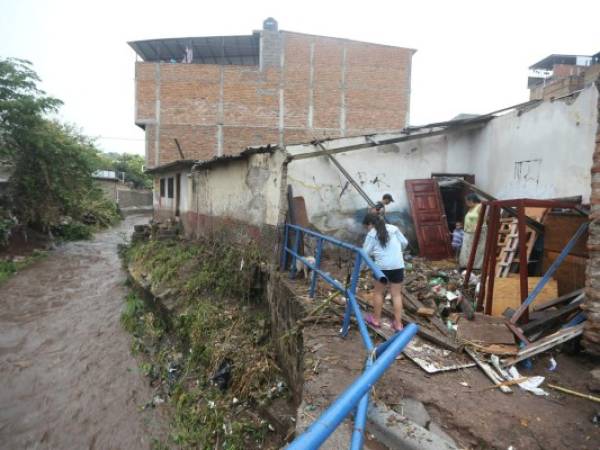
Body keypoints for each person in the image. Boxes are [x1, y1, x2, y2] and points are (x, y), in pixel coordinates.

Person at [361, 212, 408, 332]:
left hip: (381, 268)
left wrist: (361, 268)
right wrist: (397, 252)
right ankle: (398, 324)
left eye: (367, 226)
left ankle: (376, 320)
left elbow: (365, 253)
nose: (368, 229)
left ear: (370, 224)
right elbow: (404, 243)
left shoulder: (371, 234)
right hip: (398, 265)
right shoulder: (394, 228)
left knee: (378, 293)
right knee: (396, 295)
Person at [459, 193, 487, 269]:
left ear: (471, 200)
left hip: (477, 232)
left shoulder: (480, 206)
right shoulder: (471, 208)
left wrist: (478, 228)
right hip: (468, 232)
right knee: (467, 249)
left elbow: (483, 219)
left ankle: (476, 267)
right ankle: (467, 265)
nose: (466, 203)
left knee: (477, 249)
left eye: (466, 201)